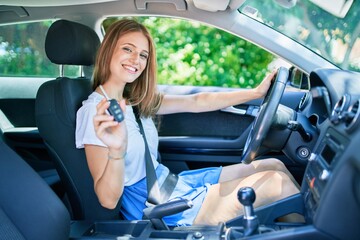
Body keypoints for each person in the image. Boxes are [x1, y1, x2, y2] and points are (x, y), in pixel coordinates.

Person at [75, 19, 300, 226]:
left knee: (274, 165)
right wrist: (117, 150)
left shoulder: (135, 99)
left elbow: (196, 101)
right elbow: (107, 199)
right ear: (108, 50)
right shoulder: (95, 112)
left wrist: (254, 93)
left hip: (172, 183)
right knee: (277, 183)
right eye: (127, 49)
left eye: (143, 55)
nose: (136, 60)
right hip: (155, 206)